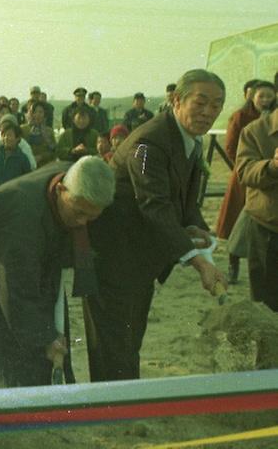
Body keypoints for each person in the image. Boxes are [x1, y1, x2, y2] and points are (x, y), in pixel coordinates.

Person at [86, 69, 227, 382]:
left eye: (216, 105)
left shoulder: (191, 140)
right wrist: (198, 262)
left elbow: (185, 203)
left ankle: (125, 403)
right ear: (176, 100)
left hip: (142, 255)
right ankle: (113, 411)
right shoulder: (148, 144)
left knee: (131, 333)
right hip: (114, 254)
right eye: (200, 102)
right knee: (115, 338)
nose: (208, 112)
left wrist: (197, 229)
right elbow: (154, 203)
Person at [0, 157, 115, 386]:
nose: (83, 222)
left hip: (30, 252)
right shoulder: (22, 218)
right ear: (61, 190)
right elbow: (16, 291)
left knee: (45, 327)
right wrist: (45, 338)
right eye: (79, 212)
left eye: (91, 216)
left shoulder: (75, 179)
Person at [216, 80, 276, 283]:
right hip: (244, 181)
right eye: (262, 96)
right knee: (237, 226)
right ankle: (233, 266)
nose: (266, 100)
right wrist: (253, 166)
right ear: (252, 97)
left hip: (266, 181)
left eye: (269, 96)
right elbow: (232, 148)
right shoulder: (241, 118)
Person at [236, 98, 278, 312]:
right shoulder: (255, 131)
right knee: (266, 306)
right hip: (268, 231)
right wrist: (272, 166)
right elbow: (244, 172)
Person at [0, 121, 32, 191]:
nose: (6, 138)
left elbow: (27, 178)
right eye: (4, 135)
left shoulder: (22, 158)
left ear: (18, 138)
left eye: (9, 135)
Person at [21, 101, 56, 168]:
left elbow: (53, 151)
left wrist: (41, 157)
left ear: (44, 114)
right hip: (26, 166)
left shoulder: (49, 131)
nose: (37, 115)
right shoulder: (23, 129)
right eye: (35, 112)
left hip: (44, 166)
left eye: (40, 112)